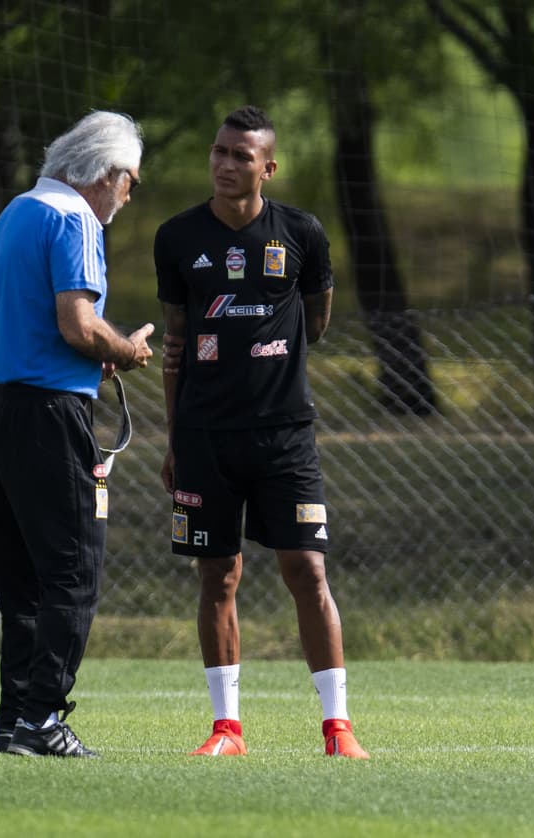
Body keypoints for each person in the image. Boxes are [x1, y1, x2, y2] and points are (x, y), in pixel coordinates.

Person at [154, 105, 369, 759]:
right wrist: (172, 438)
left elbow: (317, 318)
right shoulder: (176, 237)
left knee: (306, 568)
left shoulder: (300, 233)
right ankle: (227, 730)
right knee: (217, 575)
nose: (225, 165)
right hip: (204, 437)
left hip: (284, 436)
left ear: (267, 168)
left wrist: (271, 360)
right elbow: (175, 345)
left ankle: (338, 730)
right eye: (218, 152)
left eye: (240, 156)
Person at [0, 110, 153, 758]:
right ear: (107, 174)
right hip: (49, 413)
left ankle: (14, 720)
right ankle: (44, 718)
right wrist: (122, 348)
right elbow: (78, 323)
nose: (128, 196)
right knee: (73, 570)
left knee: (18, 577)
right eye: (130, 181)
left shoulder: (16, 211)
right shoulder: (76, 219)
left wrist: (73, 347)